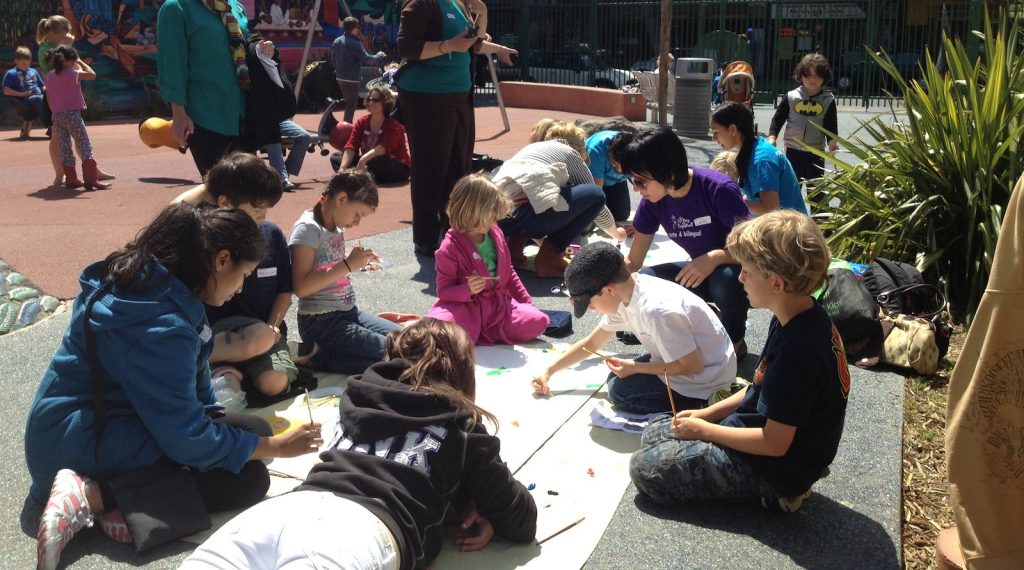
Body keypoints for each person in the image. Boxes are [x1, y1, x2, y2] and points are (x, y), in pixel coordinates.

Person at [27, 204, 323, 570]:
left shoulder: (157, 283)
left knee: (253, 430)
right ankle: (91, 497)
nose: (242, 287)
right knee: (246, 479)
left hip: (85, 421)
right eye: (243, 275)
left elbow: (195, 396)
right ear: (221, 260)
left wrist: (245, 436)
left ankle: (128, 502)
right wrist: (276, 446)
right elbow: (186, 438)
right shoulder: (160, 328)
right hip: (75, 442)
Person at [182, 318, 538, 569]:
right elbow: (520, 520)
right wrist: (486, 507)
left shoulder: (357, 397)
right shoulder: (460, 426)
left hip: (282, 511)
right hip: (356, 533)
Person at [629, 210, 850, 513]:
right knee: (654, 432)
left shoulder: (799, 351)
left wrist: (705, 431)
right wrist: (706, 414)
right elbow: (757, 386)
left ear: (776, 283)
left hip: (778, 465)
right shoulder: (796, 313)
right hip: (763, 432)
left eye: (746, 270)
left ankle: (779, 492)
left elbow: (775, 444)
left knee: (644, 469)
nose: (740, 277)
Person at [531, 242, 736, 415]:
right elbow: (592, 343)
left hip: (707, 379)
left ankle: (705, 405)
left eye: (590, 304)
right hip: (694, 361)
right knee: (616, 378)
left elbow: (693, 366)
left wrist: (636, 367)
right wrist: (550, 371)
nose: (592, 310)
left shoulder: (656, 312)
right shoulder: (628, 292)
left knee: (619, 392)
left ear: (608, 290)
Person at [616, 126, 752, 357]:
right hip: (699, 273)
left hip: (738, 272)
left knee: (726, 279)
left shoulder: (718, 189)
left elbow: (754, 249)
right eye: (632, 181)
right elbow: (634, 260)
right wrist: (601, 280)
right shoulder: (653, 202)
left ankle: (734, 342)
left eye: (641, 181)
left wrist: (716, 257)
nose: (637, 190)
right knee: (646, 281)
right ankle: (712, 322)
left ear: (667, 171)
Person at [396, 0, 517, 256]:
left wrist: (484, 17)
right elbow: (407, 47)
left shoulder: (461, 4)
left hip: (459, 94)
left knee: (459, 166)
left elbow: (473, 43)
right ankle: (426, 237)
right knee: (431, 167)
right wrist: (448, 46)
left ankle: (455, 229)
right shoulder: (423, 4)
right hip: (427, 95)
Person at [173, 152, 296, 398]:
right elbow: (174, 214)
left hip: (265, 332)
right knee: (224, 388)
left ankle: (256, 365)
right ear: (224, 203)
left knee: (275, 382)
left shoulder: (271, 234)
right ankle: (225, 367)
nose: (262, 219)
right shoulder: (205, 237)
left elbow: (285, 290)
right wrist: (218, 180)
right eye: (256, 210)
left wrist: (272, 328)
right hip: (220, 335)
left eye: (266, 211)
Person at [289, 170, 402, 374]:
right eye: (358, 214)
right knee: (393, 360)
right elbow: (301, 287)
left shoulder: (337, 227)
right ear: (341, 198)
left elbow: (325, 265)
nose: (357, 222)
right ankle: (320, 357)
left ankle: (328, 353)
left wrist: (356, 261)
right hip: (320, 322)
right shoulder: (307, 229)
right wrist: (348, 265)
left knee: (405, 341)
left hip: (348, 313)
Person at [427, 174, 549, 345]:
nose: (495, 220)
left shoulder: (495, 232)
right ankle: (482, 332)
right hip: (467, 309)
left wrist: (528, 303)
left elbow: (510, 273)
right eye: (490, 216)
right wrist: (466, 289)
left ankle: (486, 332)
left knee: (539, 320)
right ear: (471, 213)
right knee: (440, 331)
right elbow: (444, 292)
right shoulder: (449, 247)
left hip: (499, 308)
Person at [494, 137, 608, 278]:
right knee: (595, 194)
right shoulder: (570, 153)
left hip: (497, 216)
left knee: (537, 191)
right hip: (520, 212)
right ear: (579, 150)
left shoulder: (532, 149)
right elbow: (596, 203)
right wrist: (618, 234)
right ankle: (548, 259)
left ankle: (513, 250)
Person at [158, 0, 250, 175]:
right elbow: (171, 62)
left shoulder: (235, 7)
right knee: (220, 189)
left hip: (242, 115)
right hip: (205, 115)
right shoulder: (176, 7)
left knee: (247, 192)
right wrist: (178, 112)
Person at [36, 15, 116, 186]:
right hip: (56, 101)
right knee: (57, 138)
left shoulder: (60, 47)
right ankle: (61, 174)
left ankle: (92, 171)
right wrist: (65, 47)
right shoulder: (45, 49)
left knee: (78, 137)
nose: (67, 37)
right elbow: (53, 68)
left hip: (66, 100)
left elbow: (73, 69)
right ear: (53, 34)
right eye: (64, 34)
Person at [711, 101, 805, 215]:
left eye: (716, 132)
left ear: (732, 129)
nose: (713, 138)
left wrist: (733, 200)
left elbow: (770, 209)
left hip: (786, 229)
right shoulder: (753, 149)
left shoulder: (762, 159)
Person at [242, 35, 310, 192]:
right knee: (272, 138)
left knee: (305, 137)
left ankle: (283, 171)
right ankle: (281, 178)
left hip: (278, 118)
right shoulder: (251, 69)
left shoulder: (274, 66)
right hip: (262, 120)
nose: (267, 52)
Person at [44, 45, 112, 190]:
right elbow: (92, 74)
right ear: (69, 60)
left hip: (57, 115)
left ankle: (71, 179)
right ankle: (91, 179)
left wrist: (54, 112)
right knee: (84, 145)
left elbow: (48, 95)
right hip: (72, 114)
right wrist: (81, 62)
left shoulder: (50, 75)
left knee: (64, 147)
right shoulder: (72, 73)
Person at [768, 53, 838, 189]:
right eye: (808, 75)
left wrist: (832, 143)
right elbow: (778, 119)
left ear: (825, 77)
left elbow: (831, 126)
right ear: (800, 76)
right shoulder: (791, 97)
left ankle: (818, 211)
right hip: (792, 151)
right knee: (790, 192)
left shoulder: (828, 99)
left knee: (816, 193)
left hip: (816, 152)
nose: (813, 79)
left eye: (817, 75)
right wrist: (772, 137)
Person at [333, 86, 412, 184]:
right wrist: (342, 169)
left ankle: (359, 177)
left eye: (375, 100)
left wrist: (363, 159)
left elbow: (383, 148)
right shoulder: (362, 122)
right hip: (370, 161)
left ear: (385, 102)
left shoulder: (394, 126)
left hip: (396, 165)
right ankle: (357, 176)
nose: (371, 102)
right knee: (336, 158)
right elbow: (352, 145)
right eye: (370, 99)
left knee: (376, 161)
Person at [333, 17, 386, 124]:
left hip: (340, 77)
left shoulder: (337, 41)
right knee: (351, 104)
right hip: (352, 79)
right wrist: (379, 55)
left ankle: (346, 125)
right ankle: (347, 127)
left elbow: (333, 60)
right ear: (355, 28)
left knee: (349, 103)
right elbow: (367, 59)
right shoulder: (354, 43)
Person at [585, 130, 634, 222]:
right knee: (591, 219)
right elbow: (597, 194)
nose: (619, 170)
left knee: (621, 215)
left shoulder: (637, 152)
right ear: (609, 153)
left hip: (615, 180)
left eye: (623, 166)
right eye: (615, 164)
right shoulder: (595, 151)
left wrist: (640, 226)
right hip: (593, 179)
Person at [3, 46, 46, 139]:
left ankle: (57, 124)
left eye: (28, 63)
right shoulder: (11, 73)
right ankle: (50, 125)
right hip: (23, 100)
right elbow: (6, 90)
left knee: (46, 98)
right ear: (16, 61)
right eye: (23, 63)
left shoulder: (34, 71)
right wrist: (22, 94)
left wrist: (47, 90)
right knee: (38, 99)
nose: (26, 66)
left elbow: (42, 85)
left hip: (38, 96)